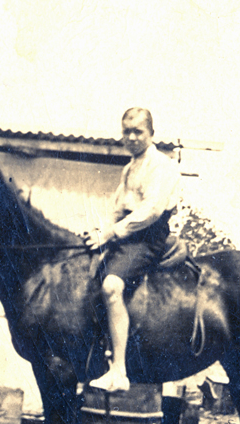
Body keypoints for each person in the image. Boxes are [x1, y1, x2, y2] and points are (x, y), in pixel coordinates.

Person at [84, 107, 181, 392]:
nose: (132, 137)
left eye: (138, 131)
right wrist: (101, 232)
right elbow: (117, 209)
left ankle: (119, 371)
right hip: (128, 234)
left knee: (112, 286)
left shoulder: (161, 166)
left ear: (151, 133)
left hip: (149, 237)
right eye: (126, 131)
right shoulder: (129, 168)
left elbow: (151, 210)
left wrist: (113, 232)